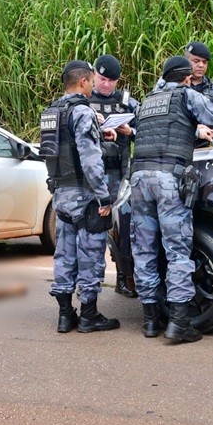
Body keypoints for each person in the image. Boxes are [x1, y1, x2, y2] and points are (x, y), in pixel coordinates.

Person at [131, 56, 213, 342]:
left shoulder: (148, 100)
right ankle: (178, 323)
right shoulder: (187, 95)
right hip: (168, 179)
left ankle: (150, 320)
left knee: (145, 250)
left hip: (139, 178)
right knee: (177, 252)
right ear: (187, 77)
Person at [39, 60, 121, 333]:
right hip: (85, 195)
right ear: (84, 81)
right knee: (90, 253)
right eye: (91, 81)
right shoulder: (82, 111)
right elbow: (89, 159)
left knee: (64, 254)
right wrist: (104, 197)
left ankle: (65, 315)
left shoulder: (52, 111)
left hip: (60, 194)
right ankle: (88, 315)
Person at [89, 54, 140, 298]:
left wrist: (130, 130)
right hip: (93, 176)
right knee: (94, 229)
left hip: (122, 173)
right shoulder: (83, 99)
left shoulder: (127, 102)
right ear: (93, 76)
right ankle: (90, 283)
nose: (106, 85)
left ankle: (123, 278)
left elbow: (150, 128)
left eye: (112, 80)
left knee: (123, 229)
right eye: (102, 79)